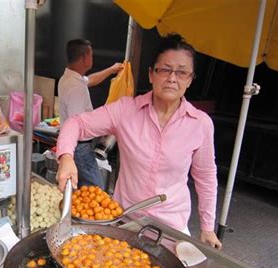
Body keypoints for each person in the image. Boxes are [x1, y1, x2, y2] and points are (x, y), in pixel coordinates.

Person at [56, 33, 222, 249]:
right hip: (125, 223)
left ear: (190, 79)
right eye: (165, 69)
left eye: (182, 72)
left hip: (171, 229)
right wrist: (66, 156)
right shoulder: (126, 110)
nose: (173, 78)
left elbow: (206, 176)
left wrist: (207, 228)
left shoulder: (200, 124)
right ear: (151, 74)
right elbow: (76, 123)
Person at [58, 39, 123, 189]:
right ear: (85, 57)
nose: (92, 59)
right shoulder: (76, 88)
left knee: (81, 188)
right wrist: (109, 127)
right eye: (91, 55)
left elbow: (90, 80)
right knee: (95, 190)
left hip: (76, 146)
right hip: (80, 147)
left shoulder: (68, 78)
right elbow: (77, 124)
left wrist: (111, 70)